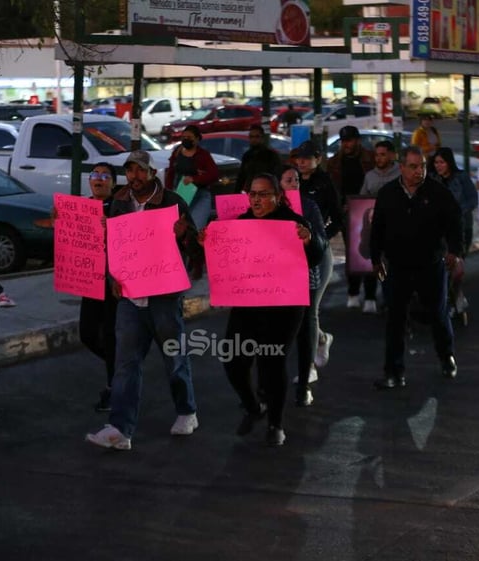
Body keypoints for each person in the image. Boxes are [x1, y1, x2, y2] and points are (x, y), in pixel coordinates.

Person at [86, 150, 203, 451]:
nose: (135, 176)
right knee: (126, 363)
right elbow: (113, 242)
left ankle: (187, 411)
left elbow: (195, 251)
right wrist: (113, 276)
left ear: (153, 173)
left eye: (141, 171)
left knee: (174, 358)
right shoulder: (120, 201)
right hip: (129, 296)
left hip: (164, 296)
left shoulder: (173, 202)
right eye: (130, 170)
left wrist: (184, 235)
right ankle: (120, 428)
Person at [208, 172, 323, 446]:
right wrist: (208, 243)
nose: (257, 200)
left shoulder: (293, 223)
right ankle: (253, 407)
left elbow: (317, 255)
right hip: (248, 303)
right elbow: (224, 261)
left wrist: (309, 240)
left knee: (272, 362)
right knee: (234, 361)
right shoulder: (241, 224)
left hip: (284, 305)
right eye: (252, 194)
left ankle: (276, 423)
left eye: (263, 194)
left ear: (278, 196)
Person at [369, 146, 463, 390]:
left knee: (438, 313)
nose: (418, 171)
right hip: (398, 266)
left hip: (430, 265)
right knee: (396, 319)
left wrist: (454, 251)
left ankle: (446, 357)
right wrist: (375, 258)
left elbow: (454, 221)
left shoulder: (437, 192)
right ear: (401, 167)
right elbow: (377, 227)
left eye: (421, 165)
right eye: (413, 166)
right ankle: (393, 372)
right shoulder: (388, 194)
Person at [278, 165, 329, 407]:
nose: (294, 183)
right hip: (277, 280)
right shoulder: (272, 207)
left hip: (304, 274)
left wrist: (308, 237)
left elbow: (321, 239)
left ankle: (304, 381)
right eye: (288, 180)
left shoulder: (309, 206)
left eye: (296, 179)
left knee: (307, 322)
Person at [290, 141, 342, 371]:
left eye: (306, 157)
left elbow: (338, 218)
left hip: (318, 252)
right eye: (298, 158)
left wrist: (321, 238)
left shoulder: (325, 183)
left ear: (318, 159)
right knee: (297, 311)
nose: (301, 162)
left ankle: (307, 367)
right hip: (291, 254)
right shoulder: (290, 184)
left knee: (311, 308)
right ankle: (321, 339)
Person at [79, 163, 119, 412]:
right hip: (90, 280)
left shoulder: (119, 207)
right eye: (95, 174)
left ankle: (115, 386)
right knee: (88, 334)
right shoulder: (81, 207)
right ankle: (122, 370)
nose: (99, 179)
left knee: (112, 336)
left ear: (113, 183)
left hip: (113, 281)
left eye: (105, 176)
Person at [326, 125, 374, 309]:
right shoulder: (334, 162)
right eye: (344, 140)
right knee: (353, 253)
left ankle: (370, 296)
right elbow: (332, 189)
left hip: (369, 209)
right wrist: (339, 207)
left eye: (350, 140)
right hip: (347, 212)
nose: (346, 144)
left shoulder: (370, 158)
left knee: (371, 253)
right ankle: (353, 293)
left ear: (357, 140)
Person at [357, 140, 401, 313]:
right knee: (374, 262)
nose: (379, 158)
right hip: (375, 230)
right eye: (377, 154)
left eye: (383, 154)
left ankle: (392, 299)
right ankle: (374, 298)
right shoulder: (370, 177)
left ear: (391, 155)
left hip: (397, 229)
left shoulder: (400, 174)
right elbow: (361, 200)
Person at [165, 124, 219, 230]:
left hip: (200, 195)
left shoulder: (203, 155)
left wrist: (194, 179)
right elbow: (171, 173)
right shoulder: (177, 153)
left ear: (197, 139)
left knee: (196, 227)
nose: (186, 140)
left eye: (189, 138)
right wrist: (168, 193)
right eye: (184, 137)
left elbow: (214, 174)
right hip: (181, 195)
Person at [431, 148, 478, 257]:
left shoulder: (461, 177)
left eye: (442, 162)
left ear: (449, 162)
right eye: (436, 162)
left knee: (457, 262)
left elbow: (473, 199)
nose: (438, 166)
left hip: (462, 227)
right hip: (439, 229)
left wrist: (456, 211)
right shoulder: (432, 179)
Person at [236, 124, 283, 192]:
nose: (254, 139)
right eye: (251, 137)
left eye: (257, 137)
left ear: (262, 138)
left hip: (267, 191)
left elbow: (277, 176)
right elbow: (241, 177)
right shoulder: (247, 155)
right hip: (251, 191)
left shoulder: (271, 155)